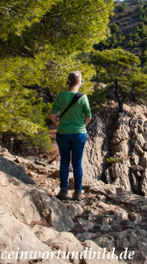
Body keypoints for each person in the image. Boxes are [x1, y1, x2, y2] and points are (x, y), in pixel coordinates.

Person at [50, 71, 91, 201]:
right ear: (78, 82)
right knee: (77, 162)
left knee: (64, 162)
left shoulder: (61, 96)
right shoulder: (83, 97)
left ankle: (63, 191)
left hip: (63, 132)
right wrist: (80, 124)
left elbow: (52, 115)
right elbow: (88, 117)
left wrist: (59, 122)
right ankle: (77, 193)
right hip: (79, 133)